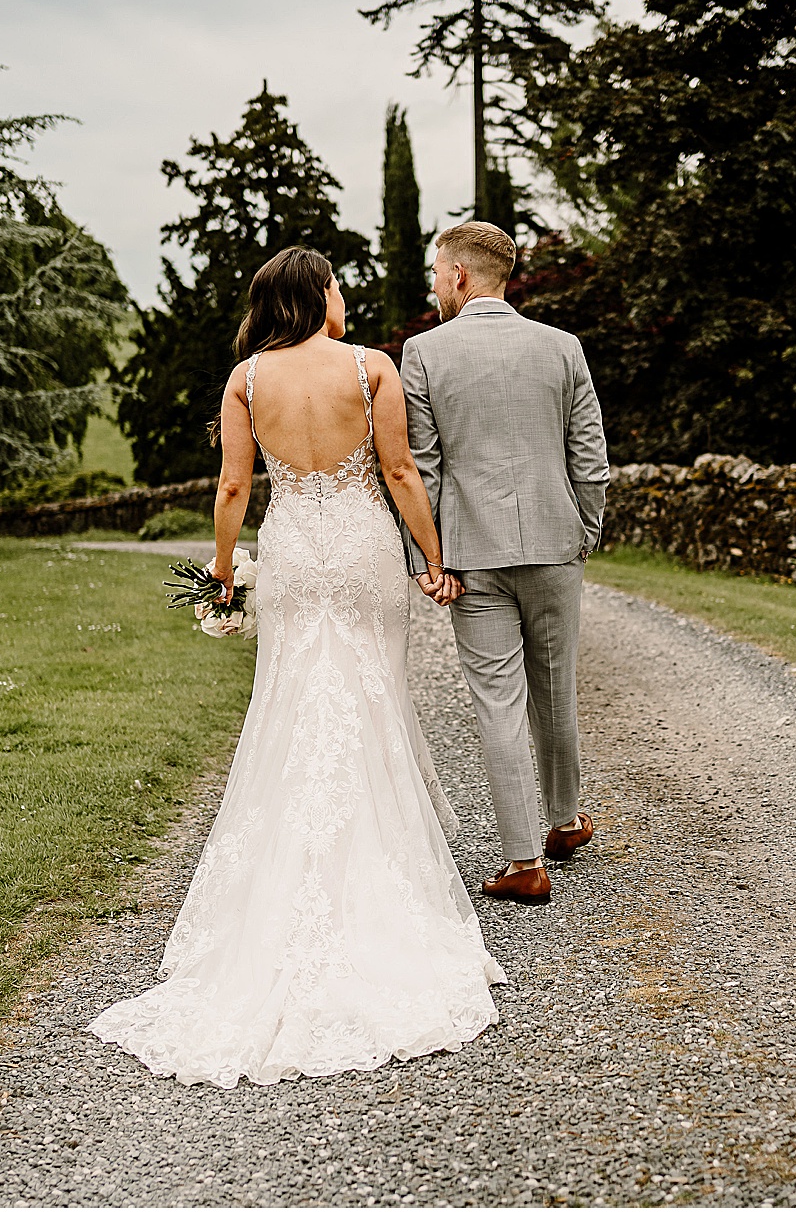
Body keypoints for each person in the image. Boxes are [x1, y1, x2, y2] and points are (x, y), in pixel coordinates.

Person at [87, 246, 505, 1088]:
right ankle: (379, 875)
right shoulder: (370, 367)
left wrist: (222, 572)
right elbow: (396, 472)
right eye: (339, 286)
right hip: (359, 552)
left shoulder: (245, 381)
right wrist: (435, 558)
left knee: (290, 704)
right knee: (371, 699)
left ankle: (280, 888)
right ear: (317, 295)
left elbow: (233, 488)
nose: (345, 297)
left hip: (293, 556)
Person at [399, 221, 610, 906]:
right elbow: (591, 457)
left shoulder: (424, 353)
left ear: (460, 275)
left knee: (499, 704)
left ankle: (523, 862)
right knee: (556, 688)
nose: (433, 285)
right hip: (555, 545)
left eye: (436, 272)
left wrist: (429, 560)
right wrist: (584, 531)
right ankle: (566, 821)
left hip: (471, 558)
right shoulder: (562, 347)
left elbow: (421, 469)